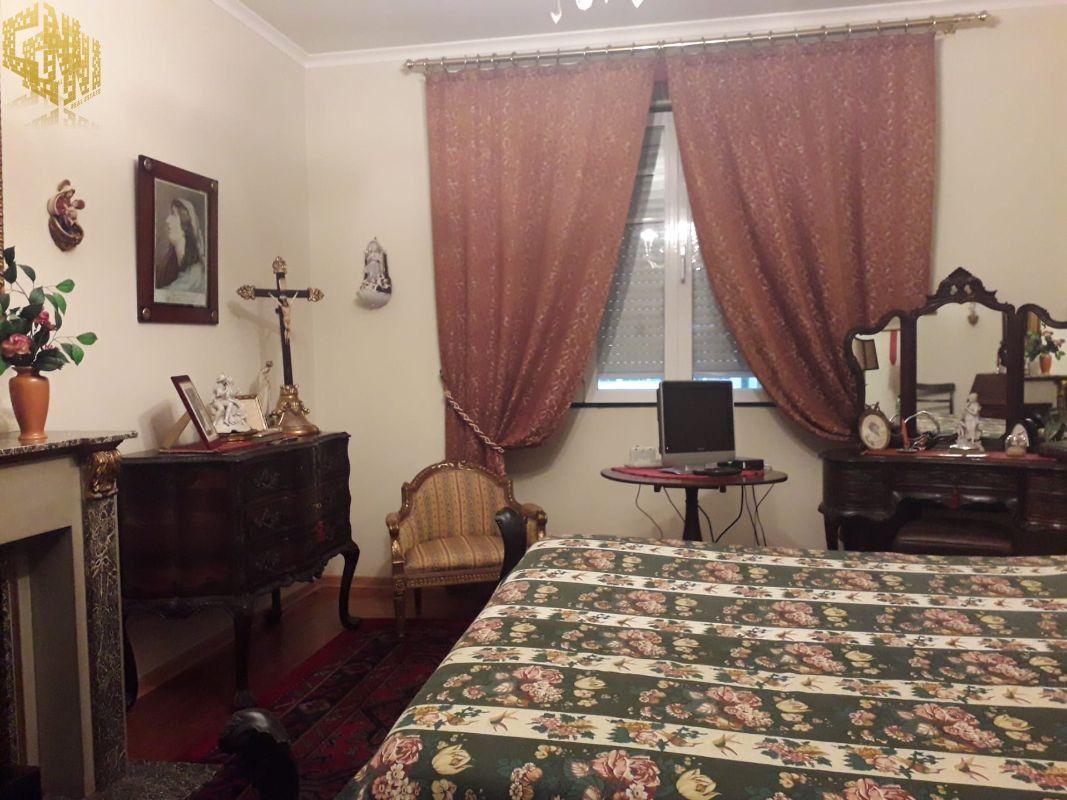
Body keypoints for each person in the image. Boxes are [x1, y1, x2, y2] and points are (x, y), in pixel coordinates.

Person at [155, 197, 207, 294]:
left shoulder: (196, 271)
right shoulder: (166, 265)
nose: (167, 220)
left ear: (185, 226)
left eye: (173, 214)